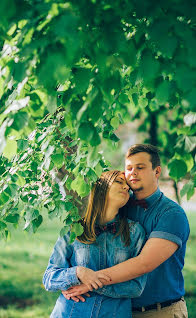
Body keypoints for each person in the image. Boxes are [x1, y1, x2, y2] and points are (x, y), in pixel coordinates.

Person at [64, 144, 190, 318]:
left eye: (140, 167)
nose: (133, 173)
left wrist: (91, 282)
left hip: (160, 311)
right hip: (118, 310)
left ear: (157, 171)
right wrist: (69, 278)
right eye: (129, 168)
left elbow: (144, 263)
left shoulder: (171, 214)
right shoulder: (120, 205)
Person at [43, 170, 147, 318]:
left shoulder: (135, 232)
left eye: (128, 186)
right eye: (119, 182)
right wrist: (78, 273)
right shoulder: (75, 228)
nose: (126, 187)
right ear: (101, 187)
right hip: (70, 313)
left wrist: (89, 284)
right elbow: (49, 278)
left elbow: (136, 286)